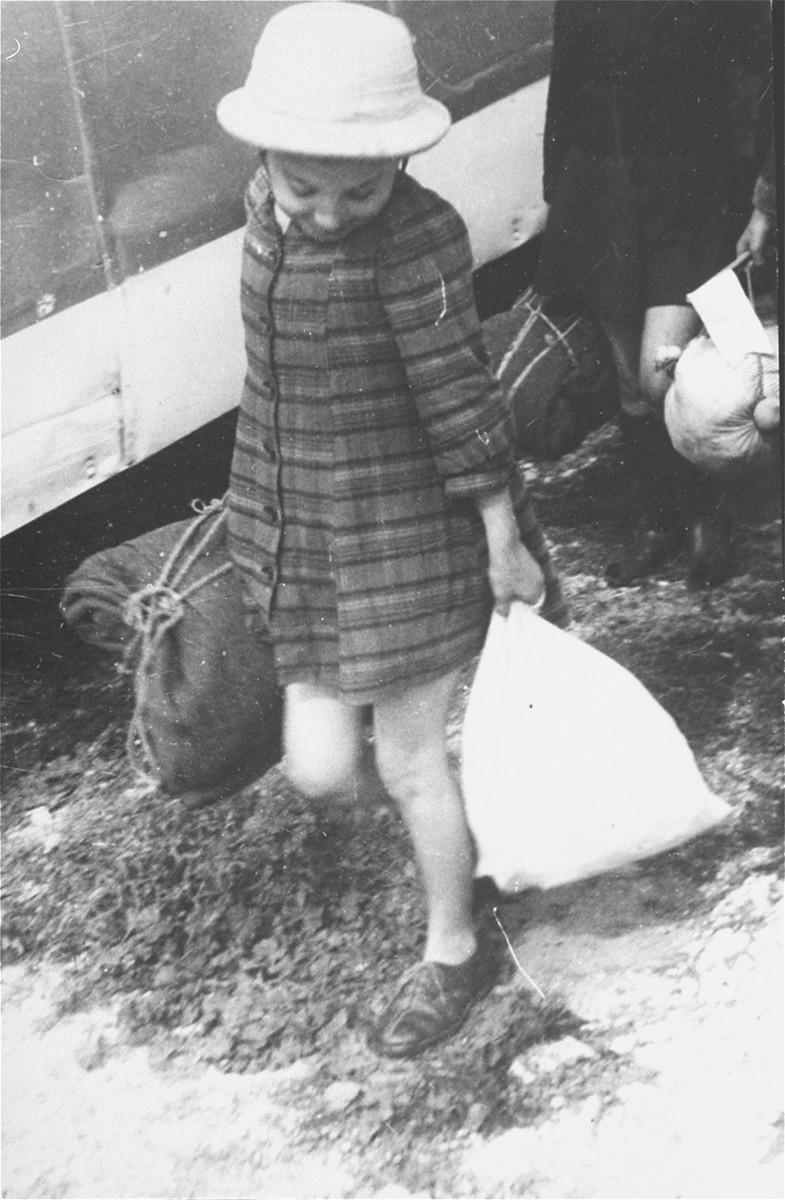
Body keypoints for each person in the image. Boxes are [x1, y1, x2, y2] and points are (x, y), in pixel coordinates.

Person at [216, 2, 564, 1059]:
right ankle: (463, 843)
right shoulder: (260, 213)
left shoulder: (419, 238)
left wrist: (501, 535)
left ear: (398, 163)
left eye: (355, 189)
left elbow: (461, 401)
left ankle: (455, 945)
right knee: (321, 768)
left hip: (405, 532)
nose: (324, 213)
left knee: (410, 759)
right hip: (301, 535)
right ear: (266, 155)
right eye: (300, 185)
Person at [536, 0, 774, 588]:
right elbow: (566, 75)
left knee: (660, 372)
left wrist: (758, 200)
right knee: (628, 382)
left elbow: (756, 85)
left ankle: (707, 514)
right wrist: (555, 187)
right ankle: (662, 520)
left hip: (689, 187)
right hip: (599, 185)